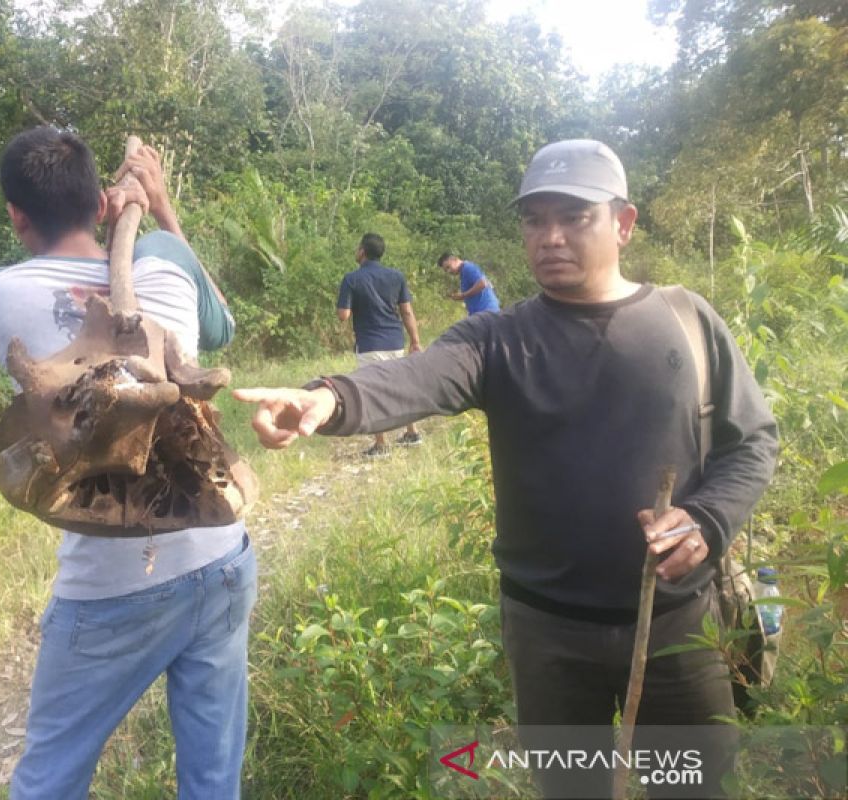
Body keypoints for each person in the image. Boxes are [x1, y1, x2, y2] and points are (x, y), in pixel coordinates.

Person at [234, 139, 778, 798]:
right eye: (534, 219)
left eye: (574, 217)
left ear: (623, 224)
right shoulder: (498, 339)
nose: (550, 236)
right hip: (548, 638)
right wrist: (327, 398)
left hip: (678, 630)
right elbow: (418, 377)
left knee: (689, 788)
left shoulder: (686, 322)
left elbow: (751, 441)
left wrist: (709, 519)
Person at [0, 128, 255, 800]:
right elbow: (223, 328)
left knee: (51, 778)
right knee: (213, 776)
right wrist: (158, 207)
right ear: (100, 201)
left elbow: (3, 282)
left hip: (110, 583)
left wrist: (126, 212)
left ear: (16, 216)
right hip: (220, 549)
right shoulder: (164, 264)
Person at [336, 233, 423, 456]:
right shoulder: (396, 276)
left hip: (369, 344)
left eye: (357, 248)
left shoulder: (351, 279)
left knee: (372, 392)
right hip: (395, 341)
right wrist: (415, 340)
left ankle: (381, 443)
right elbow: (407, 311)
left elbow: (343, 315)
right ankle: (412, 432)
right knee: (400, 386)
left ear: (362, 251)